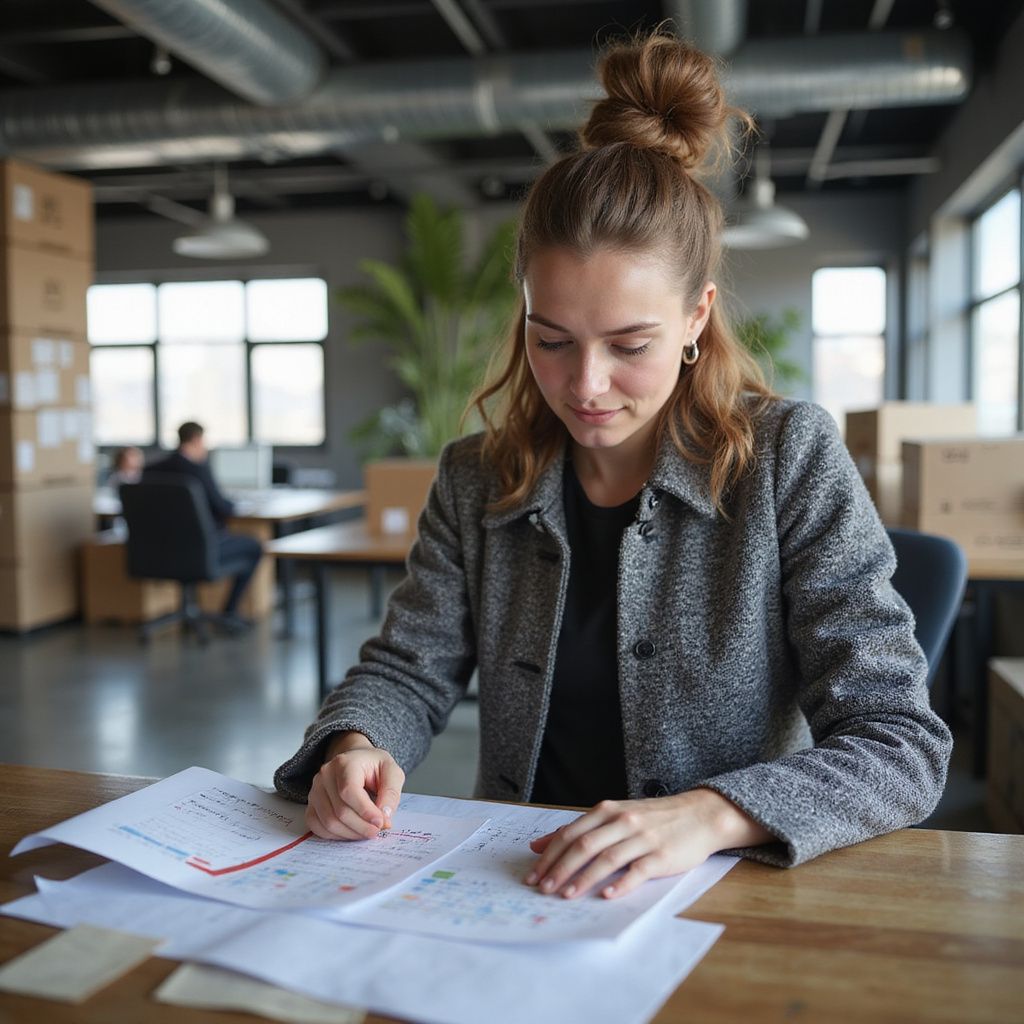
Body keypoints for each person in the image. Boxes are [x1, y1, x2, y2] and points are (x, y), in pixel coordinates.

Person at [275, 32, 952, 899]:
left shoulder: (787, 458)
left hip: (720, 889)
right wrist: (354, 745)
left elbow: (900, 741)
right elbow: (407, 667)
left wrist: (709, 813)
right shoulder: (477, 476)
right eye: (549, 340)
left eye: (629, 345)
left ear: (697, 317)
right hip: (515, 882)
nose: (585, 385)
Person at [145, 421, 262, 630]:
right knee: (254, 546)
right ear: (197, 440)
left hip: (159, 552)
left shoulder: (151, 469)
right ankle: (229, 611)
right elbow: (223, 508)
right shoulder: (198, 470)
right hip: (202, 550)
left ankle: (194, 608)